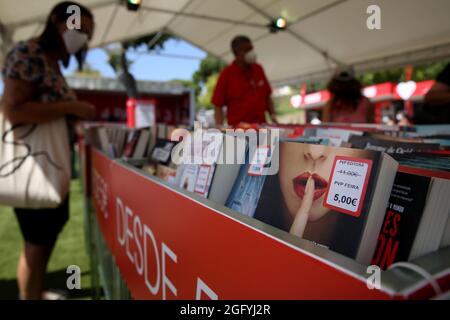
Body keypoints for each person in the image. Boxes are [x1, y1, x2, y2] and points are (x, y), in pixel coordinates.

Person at [0, 1, 95, 300]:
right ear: (57, 19)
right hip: (35, 165)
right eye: (78, 26)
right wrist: (72, 106)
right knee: (36, 243)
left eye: (87, 34)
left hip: (53, 166)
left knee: (44, 240)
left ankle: (36, 291)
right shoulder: (28, 53)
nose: (82, 37)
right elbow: (14, 111)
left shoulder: (50, 61)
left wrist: (70, 114)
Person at [212, 35, 277, 127]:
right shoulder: (226, 74)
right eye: (247, 50)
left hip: (261, 126)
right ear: (236, 53)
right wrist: (219, 127)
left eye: (251, 49)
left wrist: (273, 116)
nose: (251, 53)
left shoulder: (258, 69)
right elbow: (217, 105)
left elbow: (267, 96)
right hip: (239, 131)